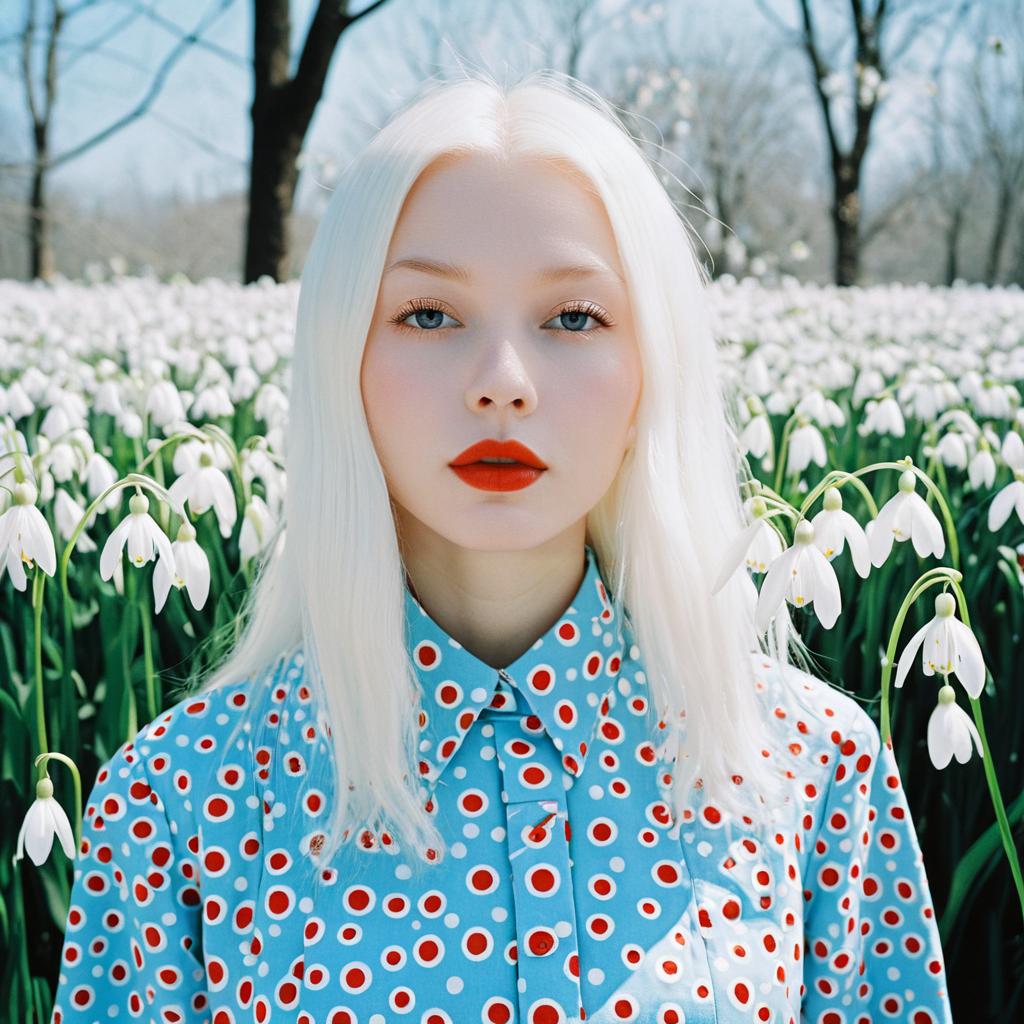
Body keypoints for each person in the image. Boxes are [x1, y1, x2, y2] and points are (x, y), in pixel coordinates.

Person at [49, 70, 953, 1024]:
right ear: (340, 360)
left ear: (652, 369)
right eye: (428, 316)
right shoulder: (182, 795)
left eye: (574, 318)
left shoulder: (807, 765)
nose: (502, 384)